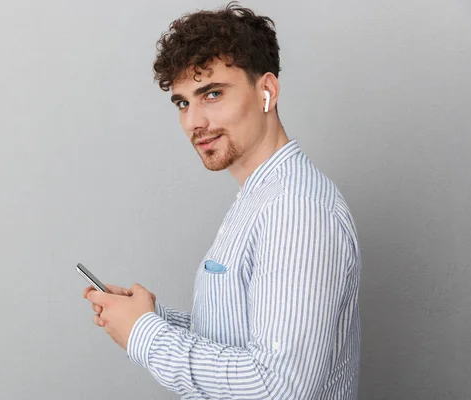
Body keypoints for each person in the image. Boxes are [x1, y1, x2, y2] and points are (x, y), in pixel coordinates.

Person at [84, 2, 361, 399]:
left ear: (266, 91)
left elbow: (279, 387)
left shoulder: (296, 209)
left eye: (211, 94)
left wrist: (144, 334)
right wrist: (148, 319)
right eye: (183, 102)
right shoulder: (259, 198)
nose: (194, 121)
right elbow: (242, 340)